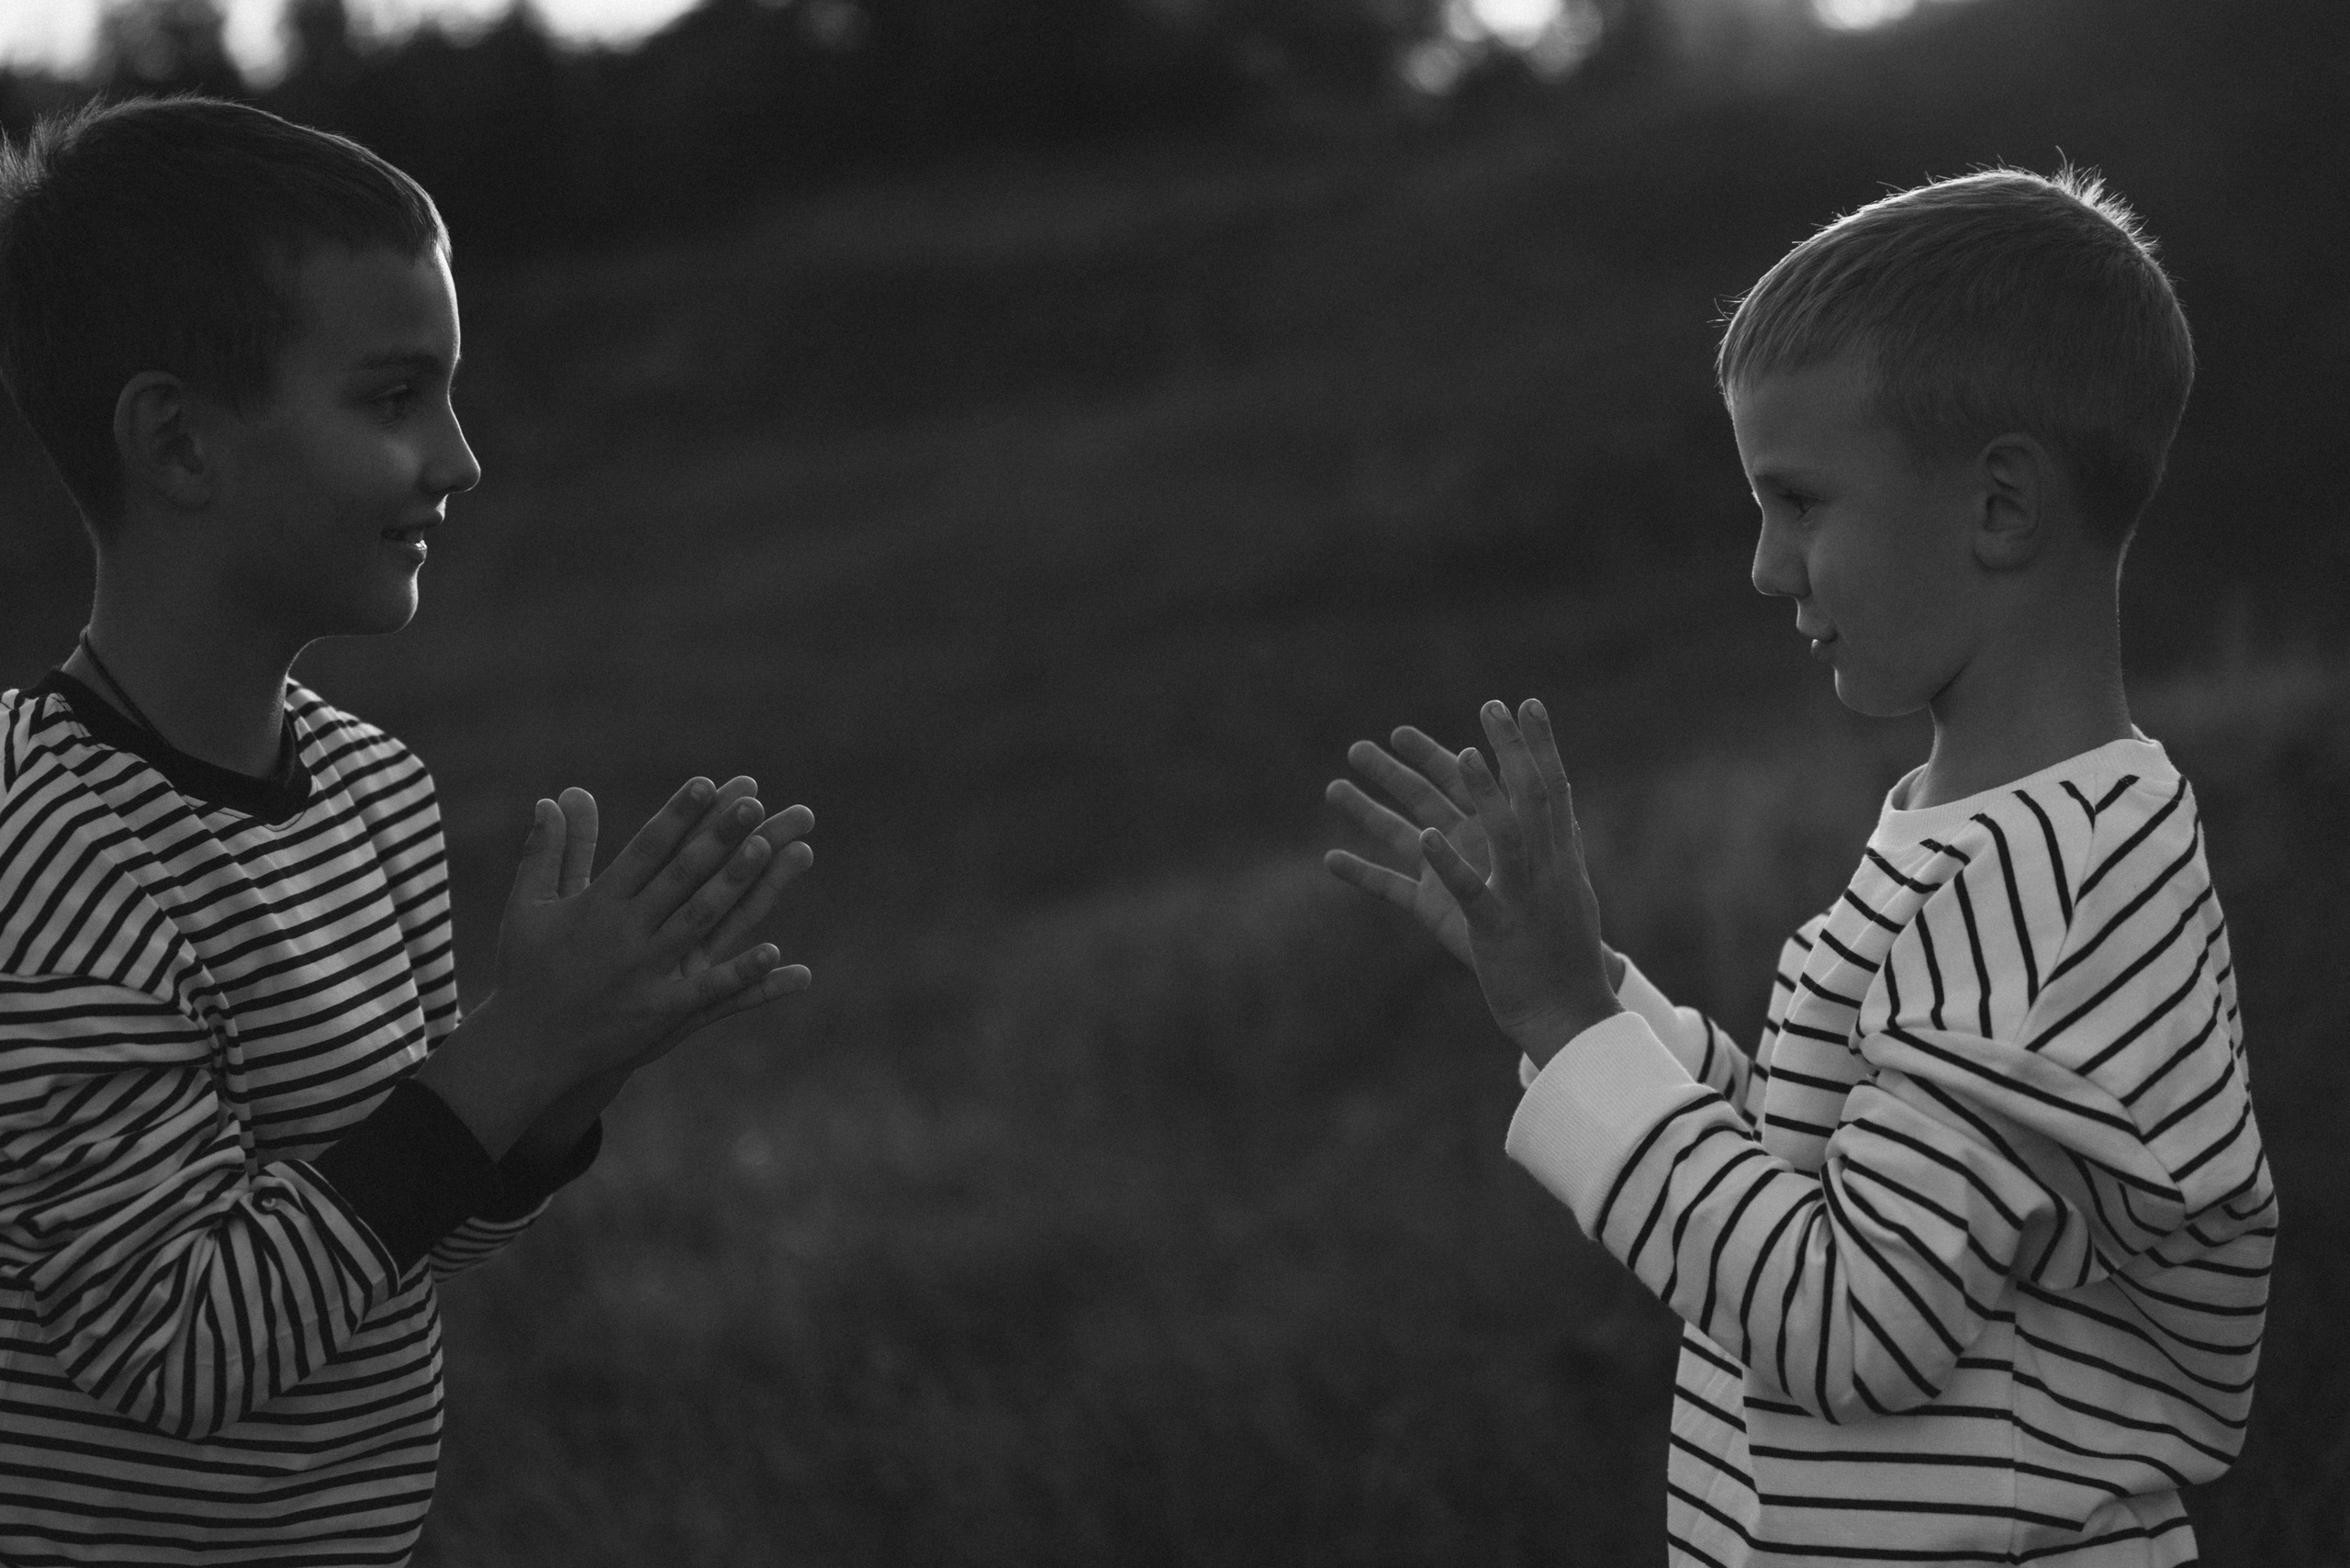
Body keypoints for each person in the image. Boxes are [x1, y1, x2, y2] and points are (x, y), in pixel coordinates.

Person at [1326, 168, 2273, 1566]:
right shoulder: (1995, 832)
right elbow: (1834, 1177)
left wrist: (1571, 1034)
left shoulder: (2048, 884)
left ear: (2000, 507)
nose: (1768, 567)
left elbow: (1856, 1327)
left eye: (1801, 500)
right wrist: (1590, 991)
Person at [0, 97, 815, 1563]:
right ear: (177, 442)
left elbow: (406, 1234)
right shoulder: (49, 851)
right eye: (391, 400)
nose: (460, 459)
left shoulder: (373, 791)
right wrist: (505, 1057)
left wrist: (559, 1078)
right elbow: (175, 1351)